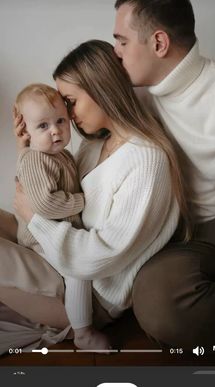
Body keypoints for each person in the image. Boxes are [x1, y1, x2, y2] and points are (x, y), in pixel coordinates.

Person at [6, 39, 190, 353]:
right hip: (57, 257)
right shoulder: (93, 146)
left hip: (86, 295)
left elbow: (100, 254)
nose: (66, 113)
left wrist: (34, 217)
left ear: (101, 90)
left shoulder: (147, 160)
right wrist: (28, 147)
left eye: (70, 101)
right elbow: (57, 194)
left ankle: (81, 333)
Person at [112, 0, 215, 348]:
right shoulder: (135, 101)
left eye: (121, 41)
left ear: (159, 43)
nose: (115, 51)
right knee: (156, 302)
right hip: (188, 238)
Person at [13, 83, 110, 351]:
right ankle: (83, 332)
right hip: (39, 238)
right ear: (27, 131)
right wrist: (83, 201)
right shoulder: (35, 159)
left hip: (58, 232)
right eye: (42, 126)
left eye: (60, 121)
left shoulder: (61, 154)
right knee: (76, 271)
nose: (55, 130)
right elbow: (44, 203)